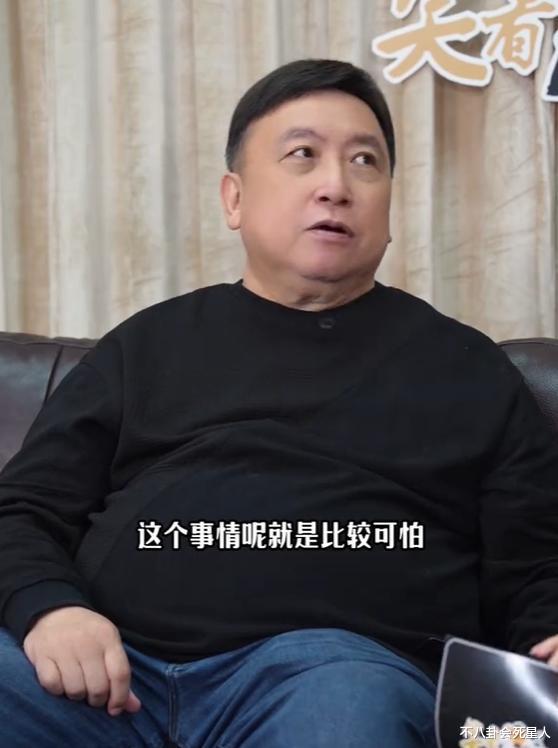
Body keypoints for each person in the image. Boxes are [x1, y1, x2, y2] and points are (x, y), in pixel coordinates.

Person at [0, 58, 557, 748]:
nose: (336, 186)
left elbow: (535, 563)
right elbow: (22, 509)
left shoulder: (469, 369)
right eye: (303, 155)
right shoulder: (146, 345)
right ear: (234, 199)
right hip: (105, 674)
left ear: (389, 208)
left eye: (365, 161)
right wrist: (50, 610)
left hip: (330, 675)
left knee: (348, 711)